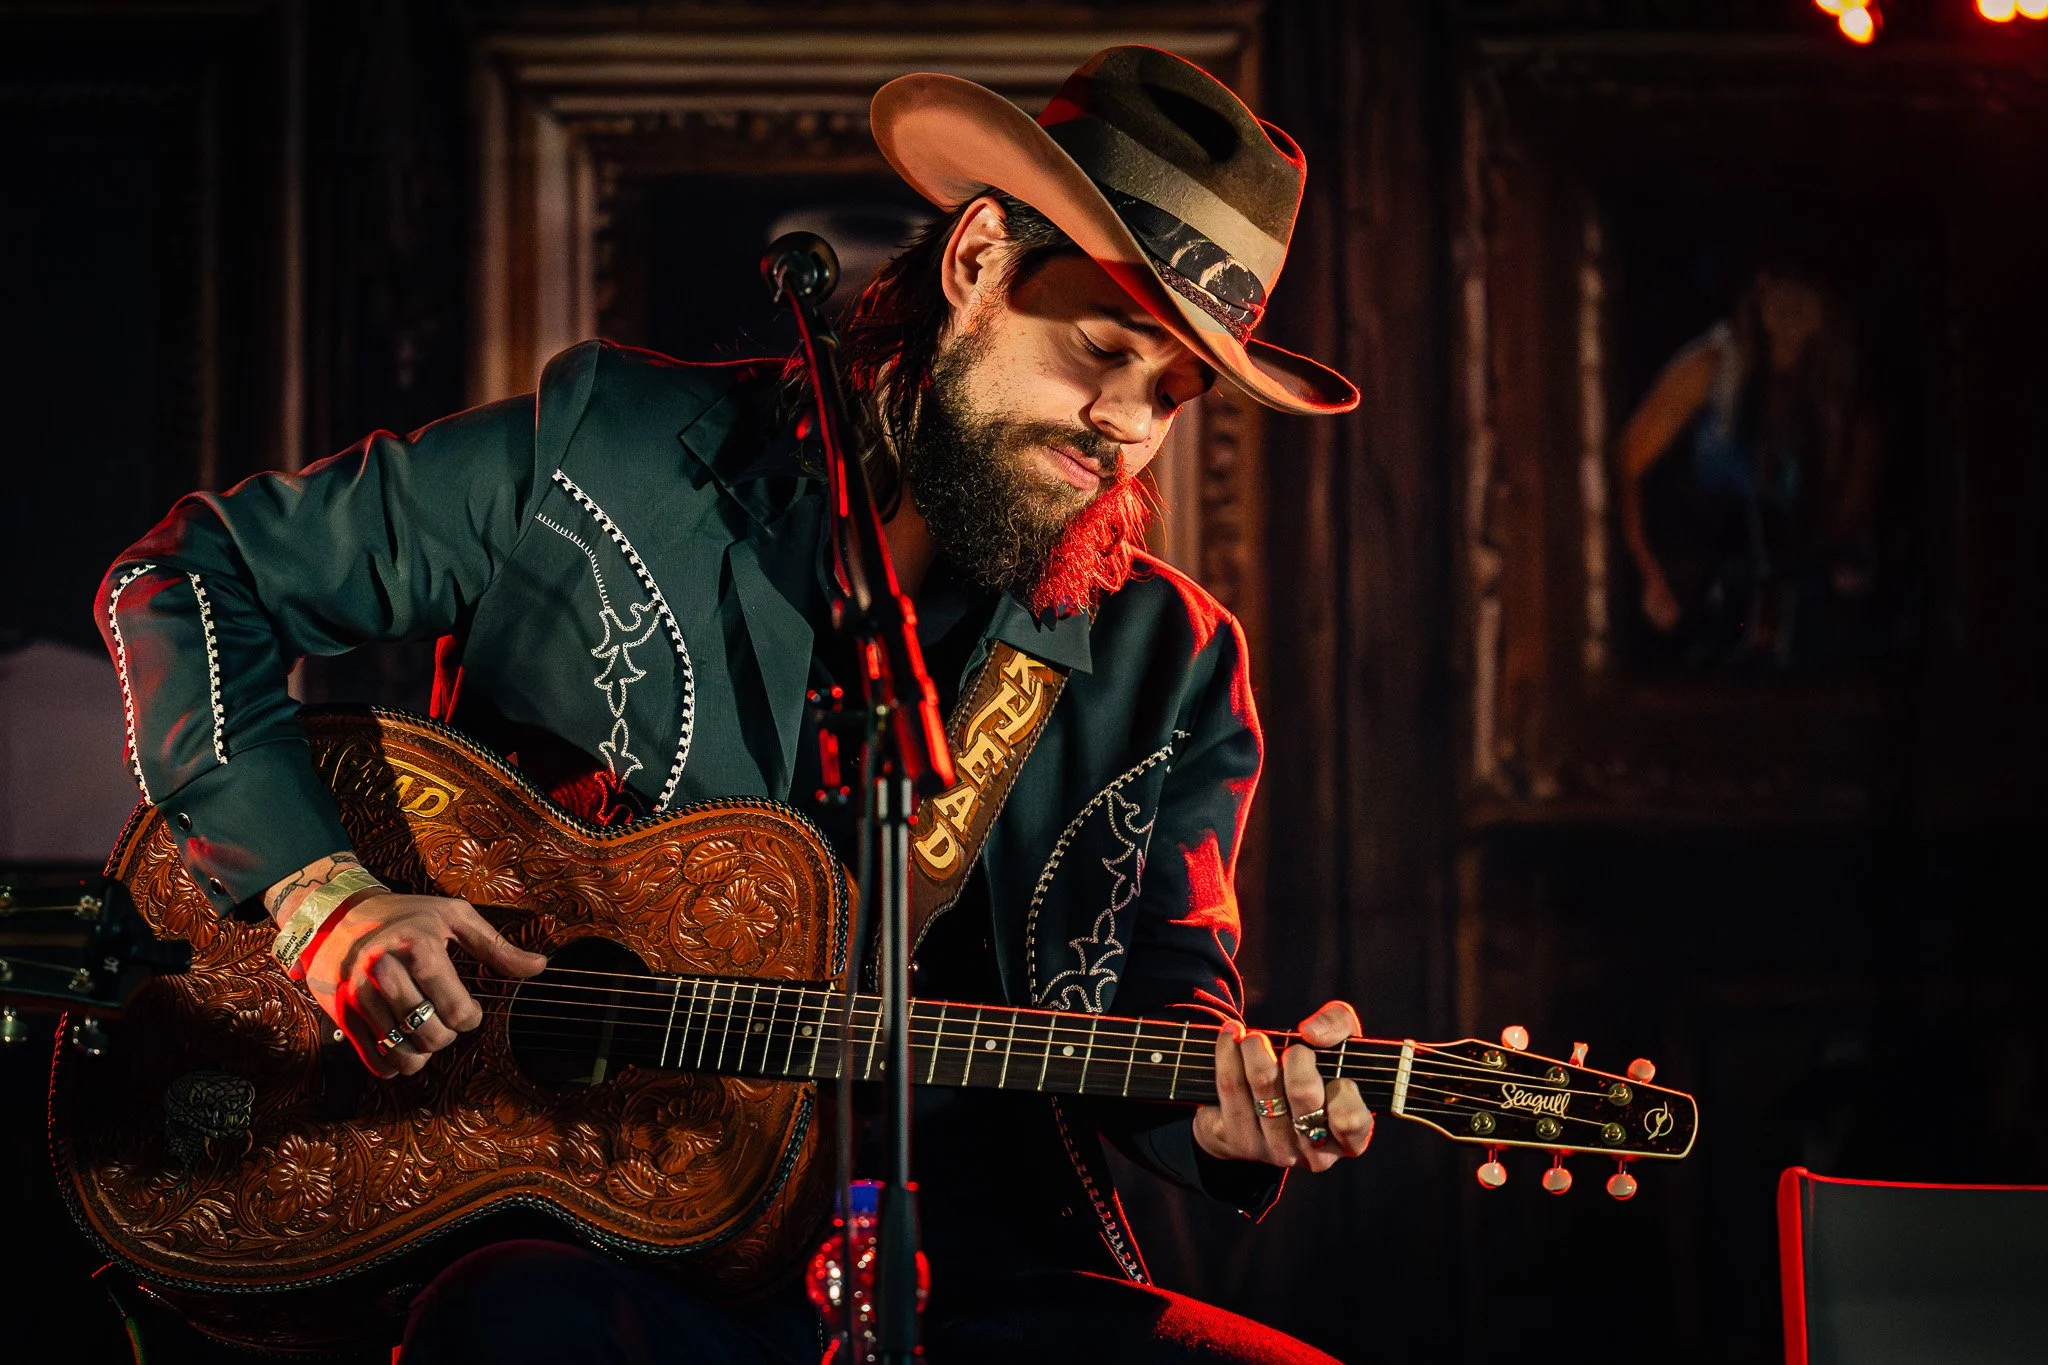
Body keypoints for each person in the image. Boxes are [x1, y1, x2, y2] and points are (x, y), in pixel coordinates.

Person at [99, 46, 1367, 1364]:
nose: (1125, 423)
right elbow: (187, 574)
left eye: (1174, 390)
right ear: (979, 257)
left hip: (975, 1267)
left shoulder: (1172, 657)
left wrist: (1230, 1105)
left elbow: (1166, 1003)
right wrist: (324, 898)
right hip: (582, 1243)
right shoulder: (606, 454)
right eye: (1104, 349)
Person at [1615, 265, 1881, 671]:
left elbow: (1848, 525)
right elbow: (1624, 459)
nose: (1789, 304)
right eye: (1778, 283)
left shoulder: (1842, 400)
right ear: (1759, 288)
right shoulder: (1712, 366)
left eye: (1803, 290)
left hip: (1800, 628)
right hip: (1709, 610)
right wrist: (1648, 571)